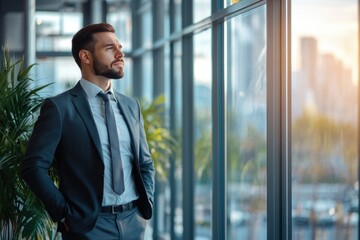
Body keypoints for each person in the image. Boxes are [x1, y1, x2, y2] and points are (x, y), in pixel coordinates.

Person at [21, 23, 155, 239]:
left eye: (120, 47)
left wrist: (145, 204)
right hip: (88, 227)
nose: (121, 54)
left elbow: (145, 163)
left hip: (134, 222)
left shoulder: (131, 106)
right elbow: (33, 167)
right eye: (110, 48)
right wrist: (64, 215)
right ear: (86, 56)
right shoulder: (60, 108)